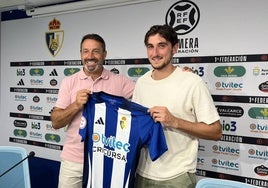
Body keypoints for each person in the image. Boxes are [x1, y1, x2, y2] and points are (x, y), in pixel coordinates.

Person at [132, 24, 222, 188]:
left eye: (162, 46)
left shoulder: (192, 82)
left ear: (175, 48)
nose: (155, 53)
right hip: (142, 173)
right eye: (150, 47)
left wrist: (175, 121)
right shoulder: (141, 82)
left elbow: (216, 131)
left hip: (177, 177)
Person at [50, 33, 135, 188]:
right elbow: (56, 122)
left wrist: (177, 73)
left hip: (105, 160)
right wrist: (76, 105)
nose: (90, 56)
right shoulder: (69, 82)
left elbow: (148, 91)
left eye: (96, 51)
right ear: (81, 54)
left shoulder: (120, 82)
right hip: (73, 161)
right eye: (85, 51)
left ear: (104, 54)